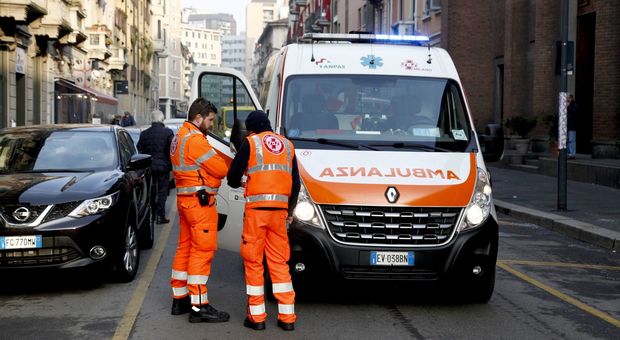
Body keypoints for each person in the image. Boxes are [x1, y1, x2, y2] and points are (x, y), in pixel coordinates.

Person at [227, 110, 300, 331]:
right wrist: (289, 209)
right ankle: (287, 318)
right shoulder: (287, 145)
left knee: (254, 262)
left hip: (257, 213)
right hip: (279, 213)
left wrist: (244, 181)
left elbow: (231, 178)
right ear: (268, 125)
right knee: (279, 263)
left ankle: (256, 318)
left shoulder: (251, 143)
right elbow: (295, 183)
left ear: (251, 129)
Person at [169, 98, 230, 323]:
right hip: (200, 203)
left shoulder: (179, 137)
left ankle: (180, 299)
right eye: (211, 120)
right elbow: (221, 169)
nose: (212, 124)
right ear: (198, 118)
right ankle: (199, 306)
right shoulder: (196, 140)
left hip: (185, 201)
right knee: (202, 251)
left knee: (185, 248)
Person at [137, 110, 174, 224]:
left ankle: (152, 215)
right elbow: (172, 150)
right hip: (164, 167)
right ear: (162, 120)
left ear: (152, 120)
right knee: (162, 191)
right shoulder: (168, 133)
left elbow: (140, 150)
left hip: (149, 168)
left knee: (151, 191)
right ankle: (160, 215)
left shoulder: (144, 133)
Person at [567, 94, 577, 159]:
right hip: (567, 125)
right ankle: (569, 153)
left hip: (572, 125)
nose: (567, 99)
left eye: (568, 98)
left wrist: (568, 107)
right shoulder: (568, 105)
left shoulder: (574, 105)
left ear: (571, 98)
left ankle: (572, 154)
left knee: (571, 140)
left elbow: (574, 112)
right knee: (568, 140)